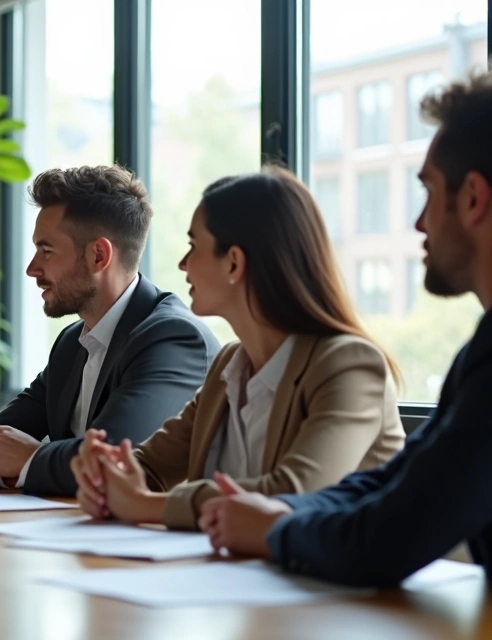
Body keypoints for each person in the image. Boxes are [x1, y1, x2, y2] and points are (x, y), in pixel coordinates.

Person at [198, 69, 492, 585]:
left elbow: (389, 537)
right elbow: (397, 480)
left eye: (427, 191)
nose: (418, 223)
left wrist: (275, 530)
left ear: (472, 198)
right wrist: (282, 512)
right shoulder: (481, 351)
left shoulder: (351, 361)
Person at [73, 165, 406, 531]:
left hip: (338, 586)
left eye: (194, 246)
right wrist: (106, 474)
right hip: (236, 576)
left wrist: (145, 505)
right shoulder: (230, 365)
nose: (183, 264)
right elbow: (149, 466)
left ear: (234, 262)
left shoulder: (348, 365)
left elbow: (295, 496)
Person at [0, 165, 220, 496]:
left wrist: (31, 460)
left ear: (98, 255)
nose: (31, 269)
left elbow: (114, 462)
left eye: (46, 251)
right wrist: (17, 468)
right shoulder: (72, 343)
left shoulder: (174, 338)